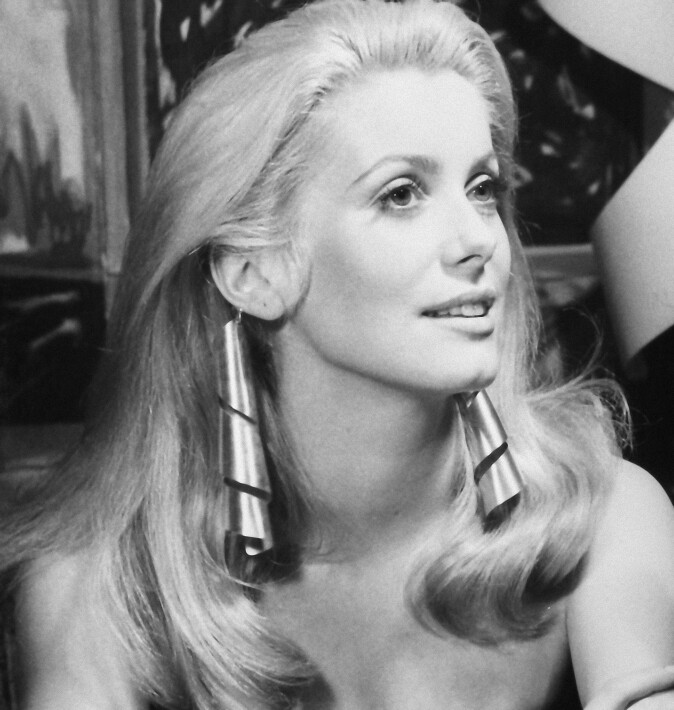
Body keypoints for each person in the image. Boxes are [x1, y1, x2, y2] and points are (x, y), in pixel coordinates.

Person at [3, 0, 674, 708]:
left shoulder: (601, 519)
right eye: (401, 194)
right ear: (252, 274)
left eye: (483, 189)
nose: (479, 239)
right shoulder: (102, 585)